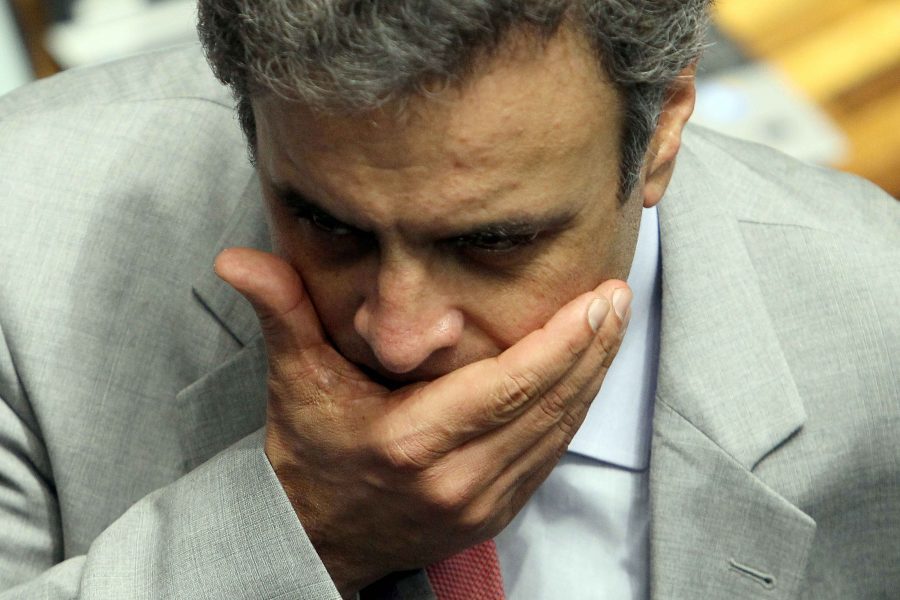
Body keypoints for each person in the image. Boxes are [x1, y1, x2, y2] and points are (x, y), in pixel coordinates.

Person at [0, 1, 897, 598]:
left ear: (662, 127)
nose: (399, 336)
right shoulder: (22, 252)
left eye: (493, 243)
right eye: (326, 224)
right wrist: (308, 528)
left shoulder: (875, 325)